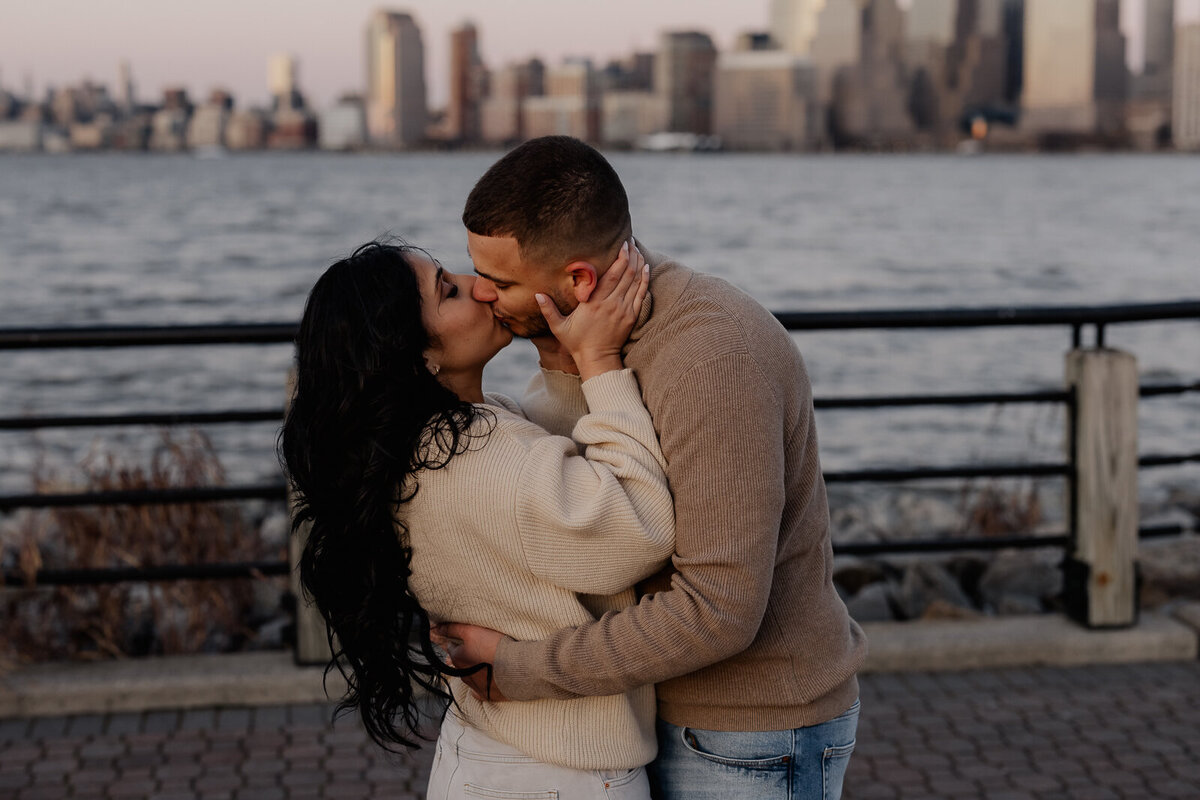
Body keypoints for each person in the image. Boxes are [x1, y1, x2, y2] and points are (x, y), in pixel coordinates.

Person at [437, 136, 869, 800]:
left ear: (577, 279)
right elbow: (588, 496)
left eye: (499, 282)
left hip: (746, 736)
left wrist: (520, 668)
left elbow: (718, 611)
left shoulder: (710, 361)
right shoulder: (585, 333)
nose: (481, 294)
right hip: (659, 714)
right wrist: (567, 358)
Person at [279, 239, 674, 800]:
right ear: (416, 354)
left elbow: (550, 481)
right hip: (558, 773)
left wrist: (561, 361)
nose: (481, 286)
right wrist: (601, 363)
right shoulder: (479, 457)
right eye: (449, 291)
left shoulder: (421, 449)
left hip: (499, 754)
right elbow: (639, 530)